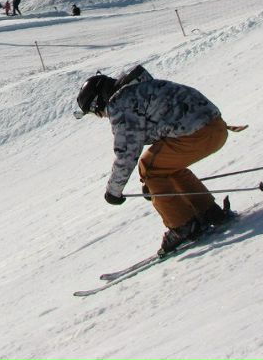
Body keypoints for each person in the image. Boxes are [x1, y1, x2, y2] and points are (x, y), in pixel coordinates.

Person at [75, 65, 234, 256]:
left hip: (197, 135)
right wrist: (159, 188)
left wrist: (113, 191)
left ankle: (183, 225)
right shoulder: (138, 89)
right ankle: (208, 211)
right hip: (215, 128)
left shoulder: (121, 103)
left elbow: (126, 153)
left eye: (95, 113)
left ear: (97, 103)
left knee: (149, 167)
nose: (101, 116)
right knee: (163, 168)